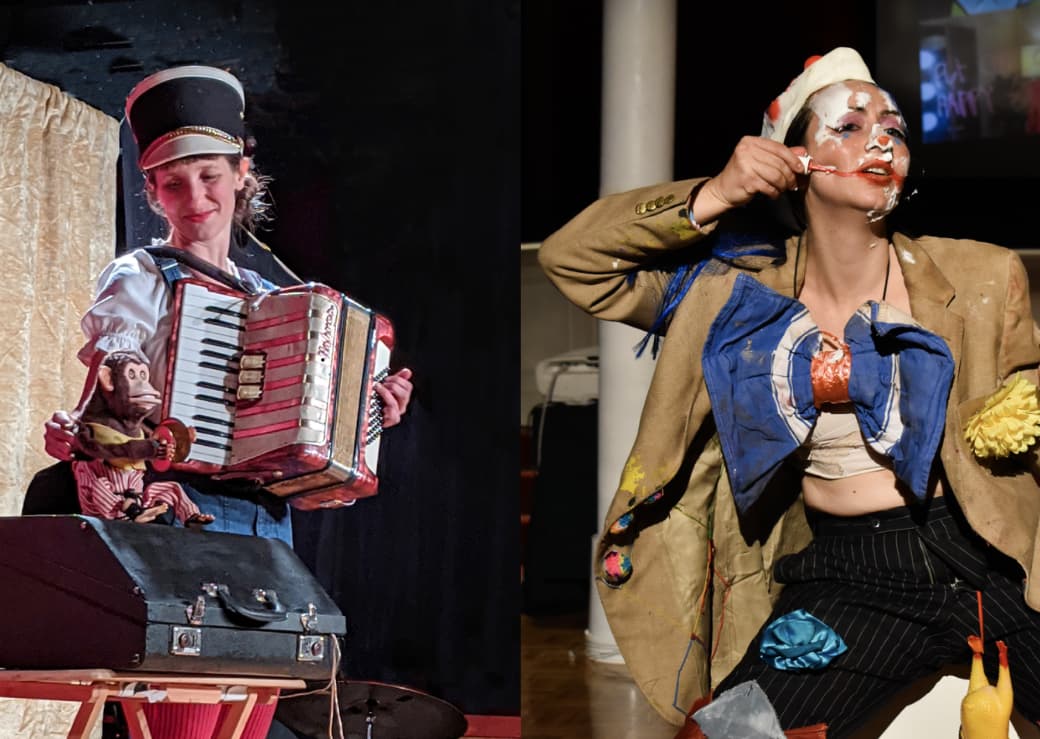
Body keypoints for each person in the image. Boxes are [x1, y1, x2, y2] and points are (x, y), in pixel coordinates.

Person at [538, 47, 1040, 737]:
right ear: (794, 161)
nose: (881, 140)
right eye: (850, 125)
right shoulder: (732, 300)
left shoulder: (981, 275)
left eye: (892, 127)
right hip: (851, 576)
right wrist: (715, 192)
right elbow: (575, 260)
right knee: (724, 733)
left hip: (991, 554)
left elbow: (1026, 407)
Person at [41, 64, 414, 739]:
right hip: (178, 523)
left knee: (246, 722)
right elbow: (106, 402)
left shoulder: (279, 298)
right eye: (174, 182)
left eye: (210, 175)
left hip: (270, 536)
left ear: (242, 171)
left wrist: (370, 413)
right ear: (152, 192)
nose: (196, 196)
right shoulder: (141, 276)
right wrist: (124, 379)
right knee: (184, 724)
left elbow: (311, 465)